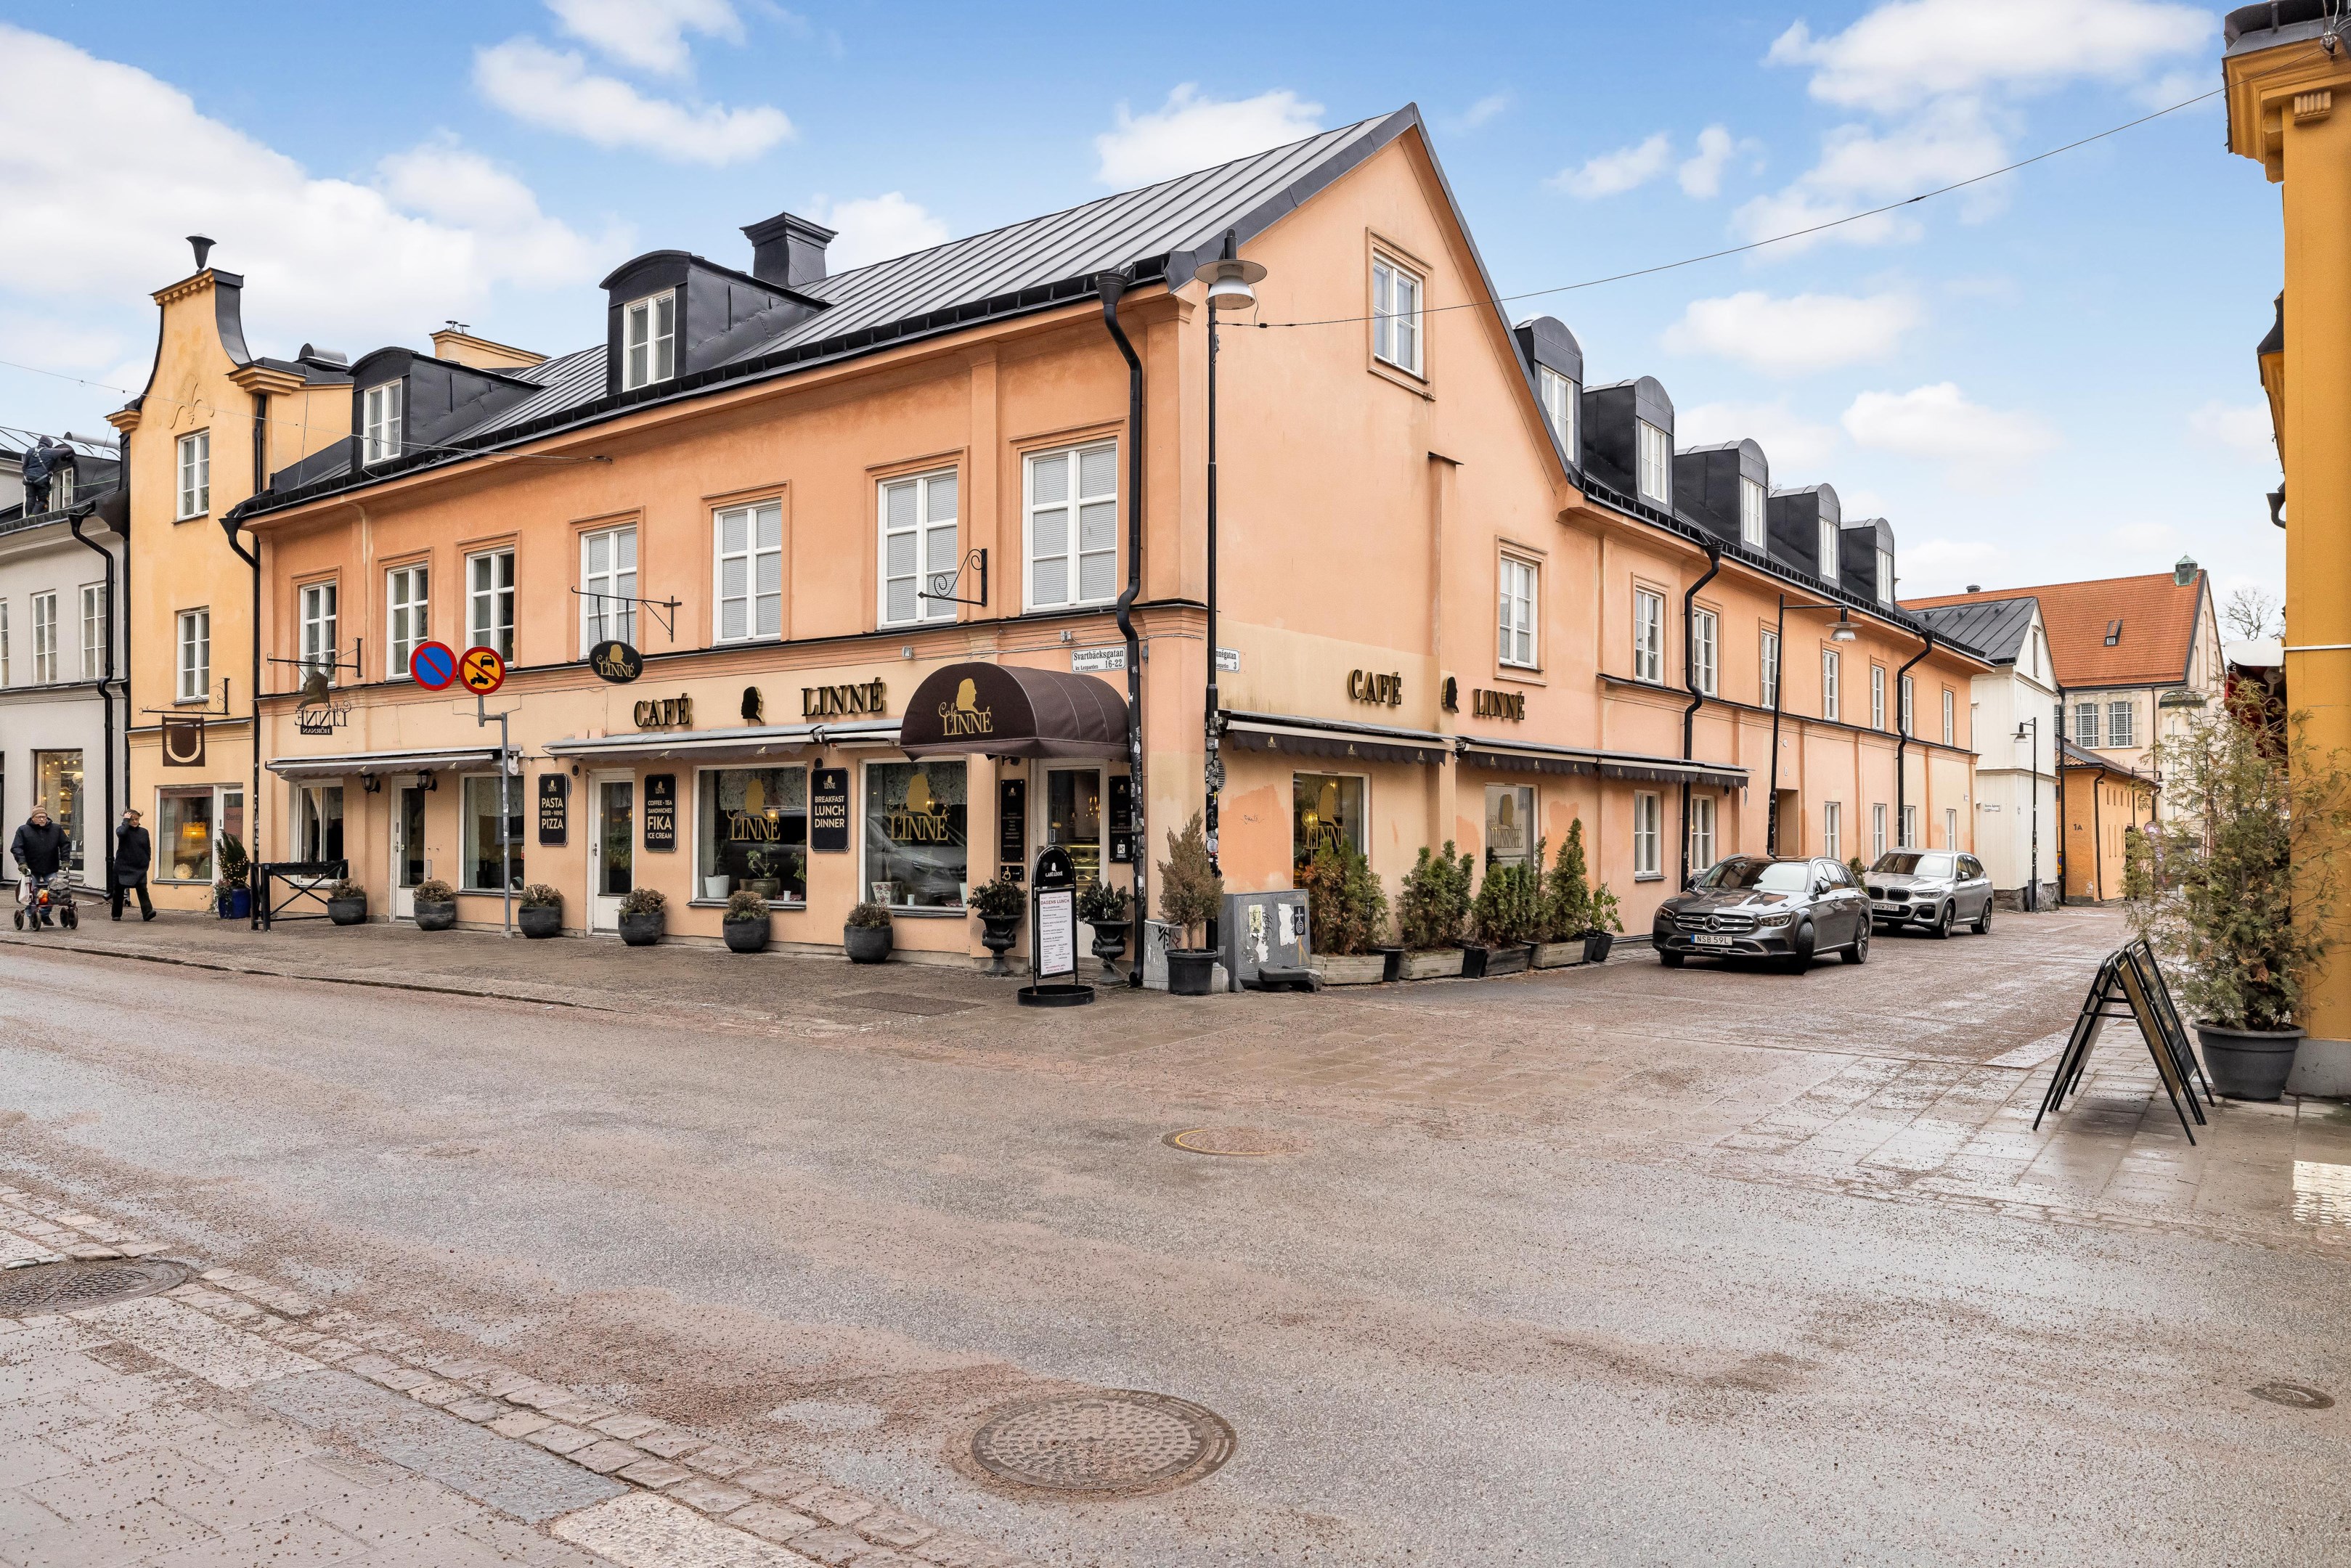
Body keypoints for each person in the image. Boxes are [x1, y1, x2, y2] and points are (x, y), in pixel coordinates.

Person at [11, 805, 71, 926]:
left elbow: (65, 844)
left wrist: (65, 861)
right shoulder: (23, 830)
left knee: (52, 891)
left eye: (44, 817)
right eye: (39, 817)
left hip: (50, 866)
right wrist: (22, 864)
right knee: (32, 893)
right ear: (33, 818)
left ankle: (44, 914)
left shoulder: (56, 829)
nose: (42, 819)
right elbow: (17, 848)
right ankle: (32, 915)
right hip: (32, 868)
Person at [110, 807, 154, 922]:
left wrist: (146, 861)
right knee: (118, 891)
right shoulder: (123, 830)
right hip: (123, 866)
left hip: (139, 866)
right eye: (132, 819)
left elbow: (147, 848)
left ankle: (148, 912)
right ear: (128, 820)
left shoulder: (144, 832)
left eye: (137, 819)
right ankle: (116, 914)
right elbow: (121, 833)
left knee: (142, 889)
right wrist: (125, 821)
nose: (135, 821)